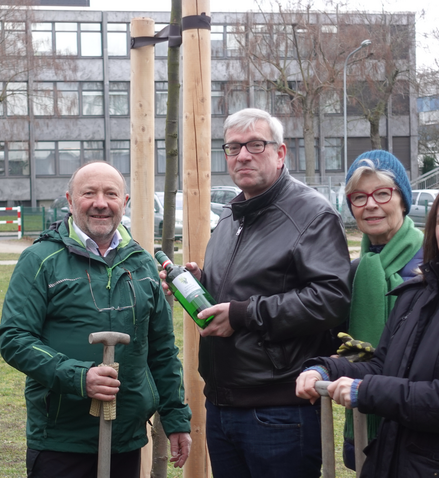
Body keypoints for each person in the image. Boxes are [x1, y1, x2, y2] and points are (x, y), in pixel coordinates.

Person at [162, 108, 351, 477]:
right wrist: (201, 284)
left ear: (281, 154)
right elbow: (242, 289)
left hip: (279, 410)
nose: (243, 155)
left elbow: (331, 299)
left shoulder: (311, 214)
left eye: (255, 145)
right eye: (233, 148)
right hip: (222, 405)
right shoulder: (233, 215)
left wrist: (242, 315)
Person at [297, 177, 439, 477]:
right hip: (394, 459)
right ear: (433, 230)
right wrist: (327, 369)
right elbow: (383, 366)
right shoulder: (416, 294)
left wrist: (367, 392)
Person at [0, 161, 192, 477]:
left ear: (124, 203)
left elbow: (162, 352)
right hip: (61, 442)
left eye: (111, 194)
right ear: (70, 200)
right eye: (89, 193)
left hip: (125, 439)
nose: (101, 203)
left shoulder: (141, 265)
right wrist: (78, 377)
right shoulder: (41, 260)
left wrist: (175, 419)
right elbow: (14, 337)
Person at [339, 150, 424, 469]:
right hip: (365, 432)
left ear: (403, 200)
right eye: (358, 197)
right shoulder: (355, 272)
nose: (370, 204)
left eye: (382, 193)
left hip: (424, 436)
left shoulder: (435, 265)